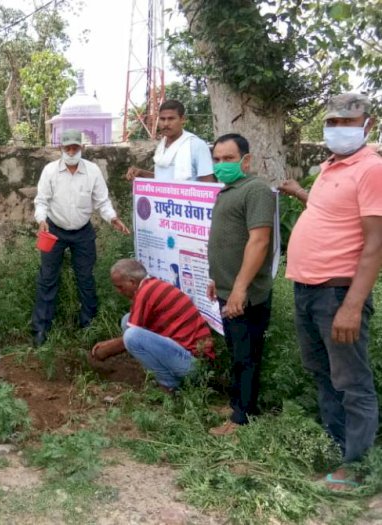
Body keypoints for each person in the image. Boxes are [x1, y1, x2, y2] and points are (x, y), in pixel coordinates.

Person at [281, 93, 382, 489]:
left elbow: (375, 243)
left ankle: (357, 467)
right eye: (333, 122)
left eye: (347, 122)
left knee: (352, 382)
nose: (338, 129)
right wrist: (299, 194)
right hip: (308, 290)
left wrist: (352, 306)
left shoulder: (371, 168)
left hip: (337, 294)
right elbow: (332, 214)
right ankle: (336, 448)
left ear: (367, 125)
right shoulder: (330, 167)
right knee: (323, 375)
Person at [32, 129, 130, 346]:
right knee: (47, 278)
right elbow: (41, 201)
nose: (71, 151)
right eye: (67, 147)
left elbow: (102, 201)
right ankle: (41, 329)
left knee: (86, 278)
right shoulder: (50, 171)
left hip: (82, 231)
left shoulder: (92, 171)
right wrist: (41, 220)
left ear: (82, 148)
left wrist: (112, 218)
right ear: (61, 149)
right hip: (54, 230)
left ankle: (88, 326)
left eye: (75, 147)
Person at [206, 133, 275, 436]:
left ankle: (241, 418)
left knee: (246, 356)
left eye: (229, 159)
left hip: (245, 293)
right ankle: (240, 404)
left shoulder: (256, 190)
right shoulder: (226, 191)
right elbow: (226, 241)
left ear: (246, 160)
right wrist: (217, 278)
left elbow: (259, 241)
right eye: (217, 159)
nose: (222, 165)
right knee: (236, 350)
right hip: (226, 288)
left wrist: (239, 288)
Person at [90, 259, 214, 390]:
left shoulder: (145, 293)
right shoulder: (150, 286)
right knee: (127, 321)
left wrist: (101, 352)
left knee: (131, 336)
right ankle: (167, 376)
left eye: (120, 287)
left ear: (132, 282)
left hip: (195, 365)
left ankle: (169, 384)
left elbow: (128, 339)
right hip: (187, 356)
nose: (118, 291)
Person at [126, 99, 214, 182]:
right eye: (162, 119)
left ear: (182, 119)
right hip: (162, 198)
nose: (166, 124)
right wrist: (141, 173)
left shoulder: (197, 145)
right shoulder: (161, 146)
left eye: (171, 119)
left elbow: (208, 184)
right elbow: (163, 180)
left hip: (188, 198)